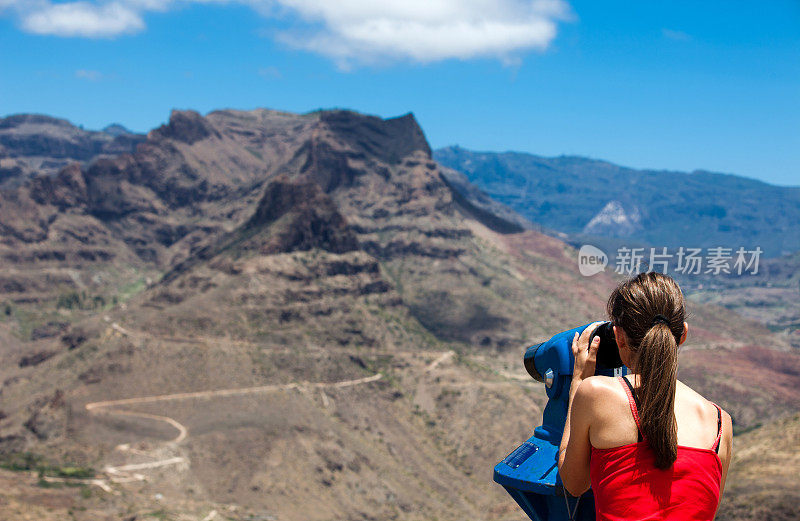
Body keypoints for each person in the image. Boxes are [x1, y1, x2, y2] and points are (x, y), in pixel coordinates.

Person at [557, 272, 733, 520]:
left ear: (618, 336)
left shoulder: (595, 394)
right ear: (682, 335)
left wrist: (578, 382)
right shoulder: (720, 422)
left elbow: (574, 483)